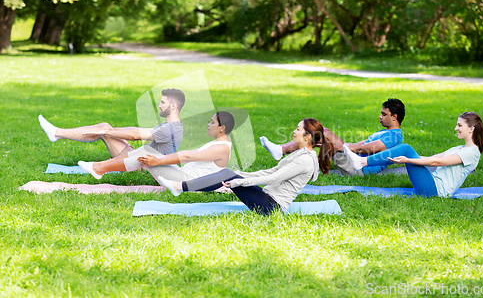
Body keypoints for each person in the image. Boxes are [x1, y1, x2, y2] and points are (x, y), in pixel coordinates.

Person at [158, 118, 333, 215]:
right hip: (266, 198)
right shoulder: (300, 153)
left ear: (308, 136)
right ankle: (180, 187)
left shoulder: (305, 160)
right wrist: (242, 175)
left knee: (229, 176)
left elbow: (274, 178)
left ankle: (179, 187)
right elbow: (271, 171)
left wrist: (238, 182)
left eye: (297, 129)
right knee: (229, 173)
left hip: (272, 207)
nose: (294, 132)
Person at [343, 112, 483, 197]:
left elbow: (437, 163)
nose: (456, 128)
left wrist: (408, 159)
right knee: (405, 150)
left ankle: (362, 162)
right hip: (431, 183)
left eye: (460, 125)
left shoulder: (471, 152)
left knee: (405, 148)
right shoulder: (460, 148)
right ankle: (362, 162)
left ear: (471, 129)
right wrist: (408, 160)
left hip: (435, 191)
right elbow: (431, 159)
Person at [78, 112, 235, 185]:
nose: (208, 124)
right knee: (148, 151)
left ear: (222, 128)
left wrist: (158, 161)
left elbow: (187, 157)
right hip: (184, 175)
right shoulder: (218, 144)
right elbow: (190, 153)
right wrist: (159, 159)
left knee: (147, 154)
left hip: (186, 182)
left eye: (212, 122)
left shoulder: (222, 148)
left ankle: (99, 169)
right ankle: (99, 167)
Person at [260, 98, 406, 176]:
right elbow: (360, 143)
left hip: (359, 169)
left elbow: (365, 149)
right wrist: (340, 145)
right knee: (318, 137)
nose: (380, 117)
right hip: (353, 162)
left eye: (384, 114)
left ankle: (281, 150)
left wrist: (339, 146)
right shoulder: (385, 133)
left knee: (322, 133)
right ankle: (284, 155)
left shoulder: (394, 136)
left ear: (394, 117)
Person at [38, 88, 185, 158]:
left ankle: (57, 133)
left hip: (140, 165)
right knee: (106, 127)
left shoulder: (170, 129)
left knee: (103, 128)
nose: (159, 105)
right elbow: (136, 130)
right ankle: (57, 133)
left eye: (163, 102)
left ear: (172, 106)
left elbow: (135, 135)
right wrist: (112, 130)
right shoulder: (173, 127)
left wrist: (107, 132)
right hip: (139, 157)